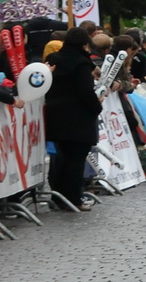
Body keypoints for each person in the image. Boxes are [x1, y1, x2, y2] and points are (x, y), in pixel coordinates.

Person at [42, 27, 102, 211]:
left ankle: (58, 195)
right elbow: (85, 91)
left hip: (55, 115)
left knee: (61, 158)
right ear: (84, 44)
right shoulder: (81, 63)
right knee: (76, 159)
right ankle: (74, 197)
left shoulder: (53, 59)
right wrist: (97, 106)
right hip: (78, 117)